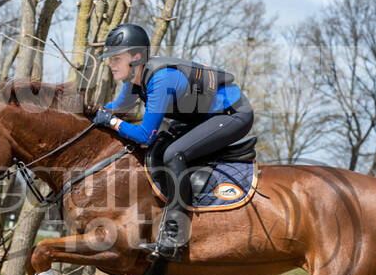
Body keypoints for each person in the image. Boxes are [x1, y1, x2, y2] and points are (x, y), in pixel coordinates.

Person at [92, 23, 254, 261]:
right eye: (109, 58)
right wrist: (91, 116)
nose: (110, 63)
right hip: (207, 116)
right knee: (161, 147)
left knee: (174, 153)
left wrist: (112, 122)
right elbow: (116, 108)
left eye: (116, 58)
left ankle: (174, 235)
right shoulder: (134, 81)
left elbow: (144, 135)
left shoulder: (161, 80)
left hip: (233, 115)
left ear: (136, 57)